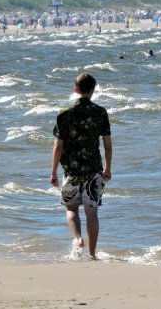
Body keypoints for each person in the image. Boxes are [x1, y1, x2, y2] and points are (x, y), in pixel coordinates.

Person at [50, 73, 112, 260]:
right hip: (94, 169)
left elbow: (58, 145)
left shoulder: (64, 113)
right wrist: (107, 169)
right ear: (93, 90)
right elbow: (107, 145)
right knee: (92, 213)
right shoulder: (100, 112)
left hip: (71, 169)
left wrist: (53, 172)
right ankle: (92, 255)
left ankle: (78, 239)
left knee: (71, 210)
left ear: (76, 89)